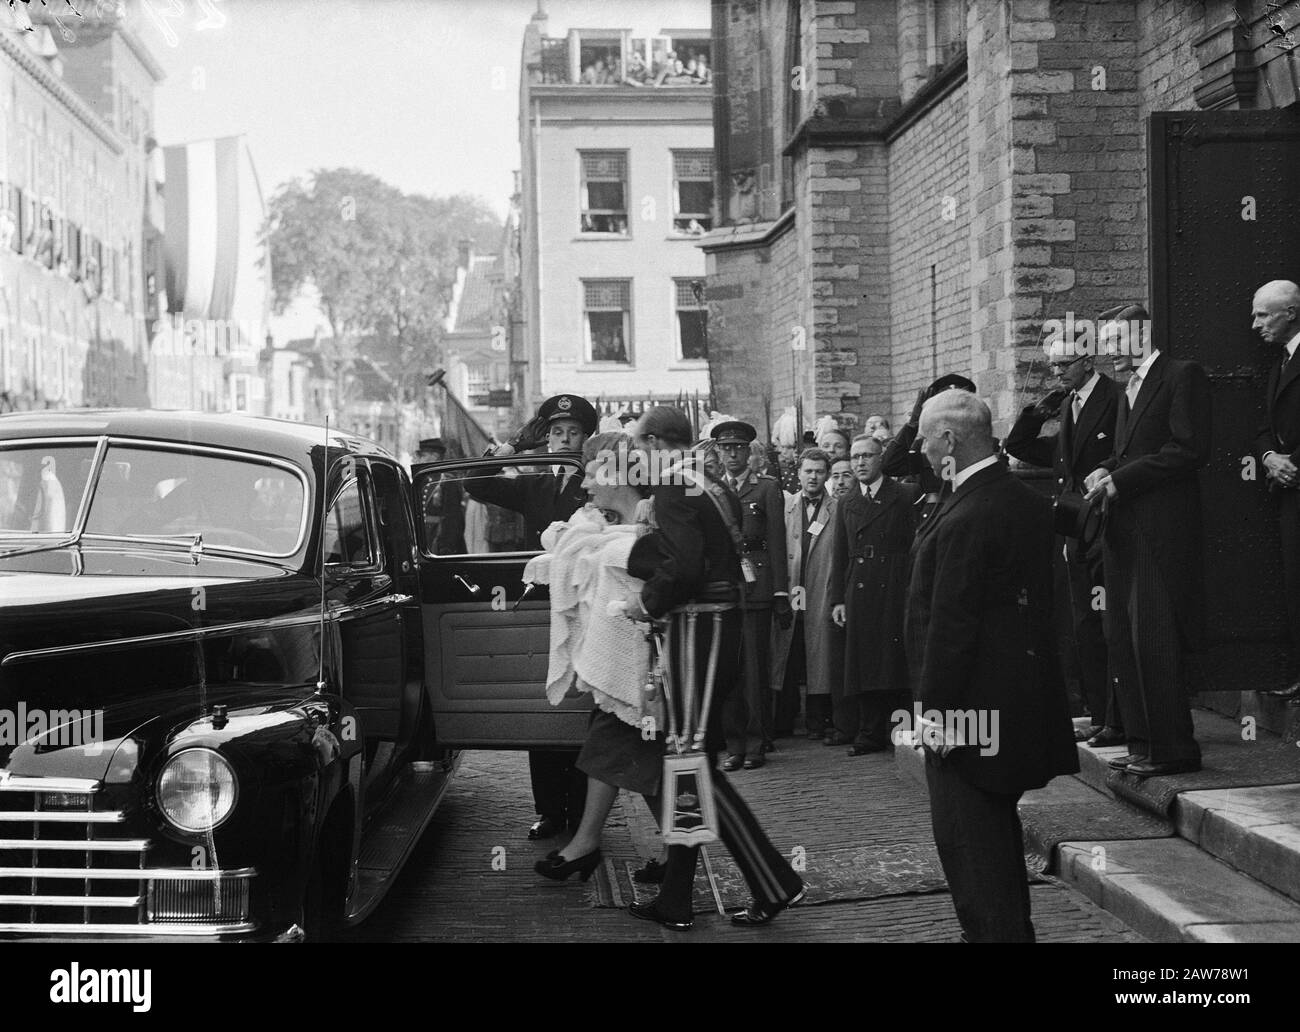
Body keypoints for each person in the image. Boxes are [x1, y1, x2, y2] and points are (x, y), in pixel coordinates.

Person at [622, 406, 804, 931]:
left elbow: (686, 562)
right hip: (710, 629)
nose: (636, 455)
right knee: (687, 767)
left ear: (656, 442)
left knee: (691, 766)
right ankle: (678, 897)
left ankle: (774, 880)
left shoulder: (676, 487)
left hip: (701, 630)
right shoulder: (699, 481)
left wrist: (647, 601)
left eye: (639, 445)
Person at [907, 389, 1078, 942]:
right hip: (1013, 703)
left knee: (971, 849)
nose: (922, 449)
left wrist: (934, 715)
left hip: (968, 714)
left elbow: (951, 625)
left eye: (926, 438)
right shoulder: (1020, 498)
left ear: (950, 439)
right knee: (995, 843)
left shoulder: (969, 512)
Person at [1085, 306, 1211, 777]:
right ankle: (1141, 743)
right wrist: (1106, 468)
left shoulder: (1182, 376)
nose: (1108, 352)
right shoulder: (1127, 390)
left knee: (1155, 640)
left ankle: (1173, 750)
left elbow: (1189, 449)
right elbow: (1126, 452)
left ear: (1140, 337)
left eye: (1116, 341)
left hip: (1162, 531)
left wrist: (1124, 479)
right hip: (1125, 528)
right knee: (1124, 637)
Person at [530, 432, 661, 881]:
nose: (584, 486)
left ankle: (590, 847)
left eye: (589, 474)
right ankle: (669, 859)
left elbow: (658, 579)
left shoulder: (655, 519)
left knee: (628, 758)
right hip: (627, 670)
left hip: (648, 668)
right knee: (630, 760)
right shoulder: (600, 521)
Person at [466, 394, 599, 838]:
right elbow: (476, 485)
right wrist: (511, 448)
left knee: (579, 706)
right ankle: (549, 810)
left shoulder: (598, 482)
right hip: (542, 609)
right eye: (556, 432)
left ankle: (581, 814)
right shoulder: (536, 481)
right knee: (543, 703)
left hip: (583, 607)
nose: (564, 440)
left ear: (586, 438)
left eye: (573, 433)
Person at [1004, 333, 1122, 746]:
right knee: (1085, 623)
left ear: (1087, 361)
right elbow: (1018, 447)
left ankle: (1119, 716)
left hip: (1108, 523)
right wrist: (1038, 413)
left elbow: (1123, 450)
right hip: (1076, 529)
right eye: (1052, 366)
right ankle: (1100, 713)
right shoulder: (1068, 405)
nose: (1056, 373)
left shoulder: (1115, 397)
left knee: (1109, 622)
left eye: (1064, 365)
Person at [829, 434, 919, 753]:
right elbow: (839, 552)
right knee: (864, 662)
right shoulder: (847, 501)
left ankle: (899, 729)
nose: (861, 462)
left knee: (894, 661)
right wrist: (837, 598)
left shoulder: (904, 495)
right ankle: (869, 732)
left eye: (867, 456)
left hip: (894, 584)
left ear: (881, 459)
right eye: (855, 457)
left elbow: (914, 545)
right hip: (860, 585)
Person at [713, 420, 791, 769]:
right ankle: (734, 746)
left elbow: (776, 541)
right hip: (726, 589)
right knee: (729, 670)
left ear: (749, 452)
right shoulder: (712, 489)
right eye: (726, 448)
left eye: (738, 448)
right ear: (717, 452)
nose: (732, 453)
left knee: (755, 672)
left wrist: (779, 593)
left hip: (757, 586)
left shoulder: (766, 488)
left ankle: (758, 744)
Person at [1251, 280, 1300, 701]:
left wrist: (1293, 463)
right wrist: (1269, 456)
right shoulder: (1280, 362)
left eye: (1263, 314)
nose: (1256, 324)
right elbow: (1266, 426)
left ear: (1292, 313)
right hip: (1288, 490)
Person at [772, 448, 841, 740]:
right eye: (808, 471)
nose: (813, 477)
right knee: (787, 652)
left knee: (817, 653)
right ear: (798, 473)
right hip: (790, 588)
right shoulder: (785, 505)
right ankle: (784, 719)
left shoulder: (837, 508)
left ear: (826, 475)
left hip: (817, 588)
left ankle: (817, 720)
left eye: (819, 472)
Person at [413, 437, 467, 555]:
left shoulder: (447, 482)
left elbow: (452, 518)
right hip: (424, 537)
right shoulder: (421, 480)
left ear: (434, 457)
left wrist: (446, 546)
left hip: (439, 539)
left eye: (423, 456)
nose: (420, 460)